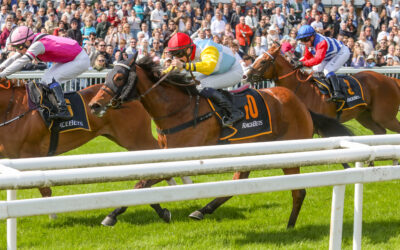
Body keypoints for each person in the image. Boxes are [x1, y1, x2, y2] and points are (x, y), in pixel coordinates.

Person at [0, 26, 90, 120]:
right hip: (72, 58)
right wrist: (1, 68)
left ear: (27, 42)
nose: (17, 50)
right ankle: (53, 108)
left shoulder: (37, 45)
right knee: (45, 80)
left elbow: (22, 61)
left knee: (50, 78)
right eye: (15, 47)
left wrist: (2, 74)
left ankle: (64, 111)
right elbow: (14, 57)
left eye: (18, 46)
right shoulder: (31, 41)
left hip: (80, 59)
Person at [167, 32, 244, 127]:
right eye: (174, 54)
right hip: (218, 71)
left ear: (188, 50)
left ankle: (234, 112)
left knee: (202, 85)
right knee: (193, 83)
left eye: (178, 54)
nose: (176, 58)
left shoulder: (208, 47)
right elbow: (171, 70)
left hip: (233, 70)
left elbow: (209, 67)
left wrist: (184, 65)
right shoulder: (187, 52)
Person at [294, 25, 350, 102]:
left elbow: (318, 59)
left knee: (328, 69)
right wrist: (298, 62)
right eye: (301, 40)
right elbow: (307, 57)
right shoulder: (308, 44)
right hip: (329, 56)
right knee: (316, 69)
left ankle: (337, 92)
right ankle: (324, 89)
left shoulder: (321, 42)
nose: (304, 42)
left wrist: (303, 63)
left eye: (305, 39)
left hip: (342, 52)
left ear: (312, 37)